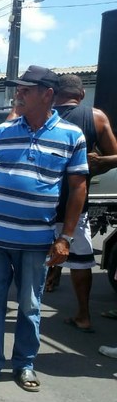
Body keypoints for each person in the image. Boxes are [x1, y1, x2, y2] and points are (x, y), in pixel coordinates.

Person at [0, 65, 88, 392]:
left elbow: (78, 187)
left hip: (37, 241)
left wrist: (66, 238)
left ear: (48, 94)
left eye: (26, 90)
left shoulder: (71, 136)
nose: (18, 94)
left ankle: (24, 364)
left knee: (30, 306)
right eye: (18, 89)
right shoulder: (3, 132)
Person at [43, 74, 117, 332]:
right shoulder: (95, 117)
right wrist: (98, 162)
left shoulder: (42, 115)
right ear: (82, 94)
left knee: (23, 255)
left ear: (53, 94)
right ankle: (83, 315)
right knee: (81, 261)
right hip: (74, 204)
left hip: (39, 201)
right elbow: (114, 156)